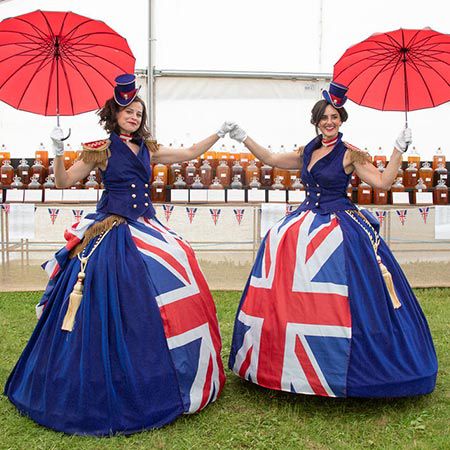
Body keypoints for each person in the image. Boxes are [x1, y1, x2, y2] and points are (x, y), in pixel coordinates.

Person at [4, 74, 231, 435]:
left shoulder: (148, 147)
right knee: (106, 294)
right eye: (128, 110)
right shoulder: (101, 149)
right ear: (115, 113)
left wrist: (218, 134)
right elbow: (63, 183)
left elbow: (189, 154)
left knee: (180, 258)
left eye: (139, 112)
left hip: (147, 226)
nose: (134, 116)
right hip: (111, 228)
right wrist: (59, 152)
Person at [228, 81, 437, 398]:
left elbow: (382, 182)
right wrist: (244, 138)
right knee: (281, 254)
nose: (330, 122)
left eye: (335, 117)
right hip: (303, 222)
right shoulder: (308, 150)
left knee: (357, 292)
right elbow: (270, 158)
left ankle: (343, 359)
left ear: (342, 120)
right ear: (316, 120)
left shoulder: (351, 154)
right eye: (325, 117)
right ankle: (284, 359)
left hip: (340, 226)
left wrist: (397, 149)